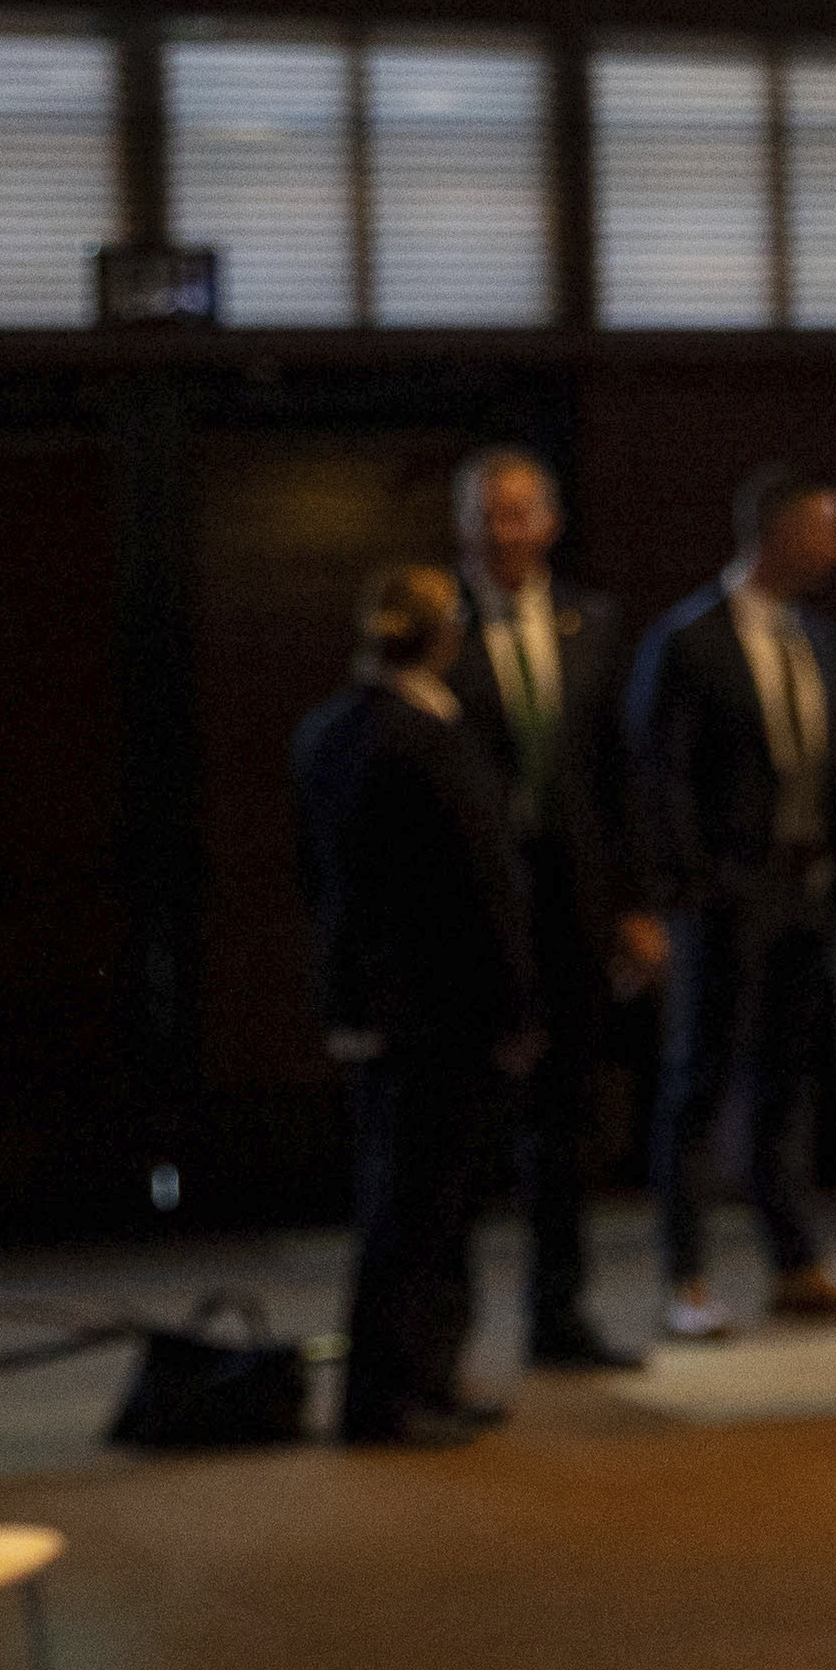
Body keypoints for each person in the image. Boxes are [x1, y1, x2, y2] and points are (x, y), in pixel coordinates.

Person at [630, 460, 836, 1338]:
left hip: (805, 894)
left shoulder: (817, 637)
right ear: (776, 534)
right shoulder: (689, 640)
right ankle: (686, 1278)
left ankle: (795, 1264)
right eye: (827, 527)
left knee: (785, 1087)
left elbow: (827, 767)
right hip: (725, 899)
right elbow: (659, 779)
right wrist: (690, 889)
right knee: (697, 1085)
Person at [288, 566, 536, 1449]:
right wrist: (516, 1004)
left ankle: (416, 1382)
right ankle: (395, 1395)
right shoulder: (429, 737)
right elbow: (484, 884)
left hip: (373, 1001)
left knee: (403, 1199)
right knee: (425, 1208)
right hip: (446, 1007)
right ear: (445, 634)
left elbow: (317, 878)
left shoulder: (327, 732)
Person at [448, 444, 662, 1375]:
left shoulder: (594, 623)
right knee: (463, 1129)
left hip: (571, 909)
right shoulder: (439, 622)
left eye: (521, 513)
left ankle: (558, 1318)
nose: (506, 531)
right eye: (490, 514)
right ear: (465, 526)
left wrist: (637, 906)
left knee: (566, 1124)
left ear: (550, 523)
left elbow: (621, 776)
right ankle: (440, 1339)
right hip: (471, 909)